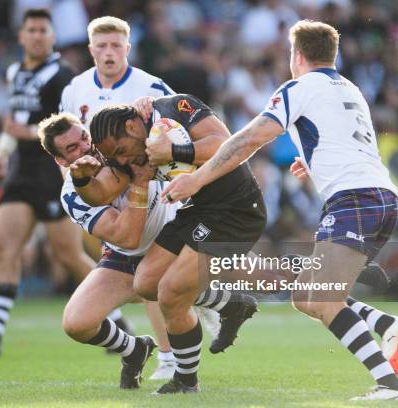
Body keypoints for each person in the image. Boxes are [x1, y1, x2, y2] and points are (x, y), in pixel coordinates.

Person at [162, 20, 398, 400]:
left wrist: (196, 180)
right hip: (378, 195)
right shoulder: (350, 88)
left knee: (324, 299)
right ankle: (387, 323)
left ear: (296, 55)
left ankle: (391, 385)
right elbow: (348, 141)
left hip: (354, 199)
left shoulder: (299, 87)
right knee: (306, 295)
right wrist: (312, 163)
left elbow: (248, 139)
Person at [38, 112, 256, 389]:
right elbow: (127, 237)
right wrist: (140, 185)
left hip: (176, 242)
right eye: (72, 148)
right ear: (61, 161)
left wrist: (148, 107)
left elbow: (163, 118)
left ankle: (188, 377)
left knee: (268, 277)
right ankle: (136, 349)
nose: (85, 147)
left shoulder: (127, 145)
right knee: (76, 323)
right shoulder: (72, 194)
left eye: (83, 137)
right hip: (125, 258)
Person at [88, 94, 265, 394]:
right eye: (113, 158)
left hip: (235, 211)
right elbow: (101, 189)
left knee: (171, 293)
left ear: (132, 126)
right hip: (196, 212)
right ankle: (231, 304)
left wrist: (173, 150)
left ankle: (186, 380)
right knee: (145, 284)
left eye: (120, 151)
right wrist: (81, 176)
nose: (121, 161)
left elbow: (225, 142)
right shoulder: (133, 149)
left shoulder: (175, 107)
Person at [0, 9, 96, 356]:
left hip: (51, 169)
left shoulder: (63, 75)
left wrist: (27, 133)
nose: (38, 36)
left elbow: (73, 126)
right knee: (3, 248)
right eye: (32, 30)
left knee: (69, 255)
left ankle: (117, 322)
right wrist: (2, 151)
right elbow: (13, 120)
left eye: (44, 30)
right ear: (22, 36)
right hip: (21, 171)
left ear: (52, 36)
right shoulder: (16, 72)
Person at [59, 15, 182, 380]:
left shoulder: (152, 86)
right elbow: (67, 149)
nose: (109, 52)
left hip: (154, 191)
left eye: (116, 46)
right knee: (135, 271)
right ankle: (146, 348)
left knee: (154, 279)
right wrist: (77, 186)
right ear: (90, 49)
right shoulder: (75, 88)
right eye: (102, 46)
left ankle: (171, 358)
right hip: (105, 199)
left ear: (128, 48)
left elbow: (175, 133)